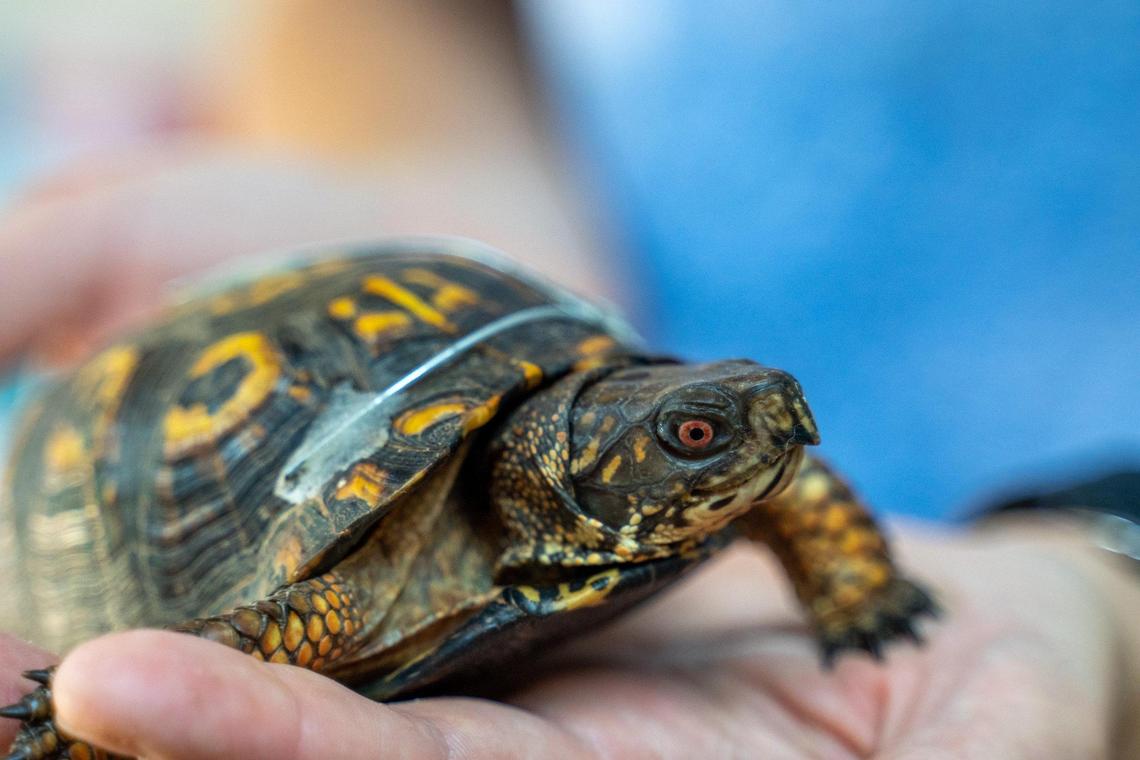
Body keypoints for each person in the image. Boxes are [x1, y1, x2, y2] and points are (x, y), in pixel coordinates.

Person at [0, 148, 1136, 759]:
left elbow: (785, 482)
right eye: (698, 437)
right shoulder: (347, 594)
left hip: (1037, 510)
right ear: (580, 470)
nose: (763, 427)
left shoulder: (700, 475)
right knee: (146, 699)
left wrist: (862, 591)